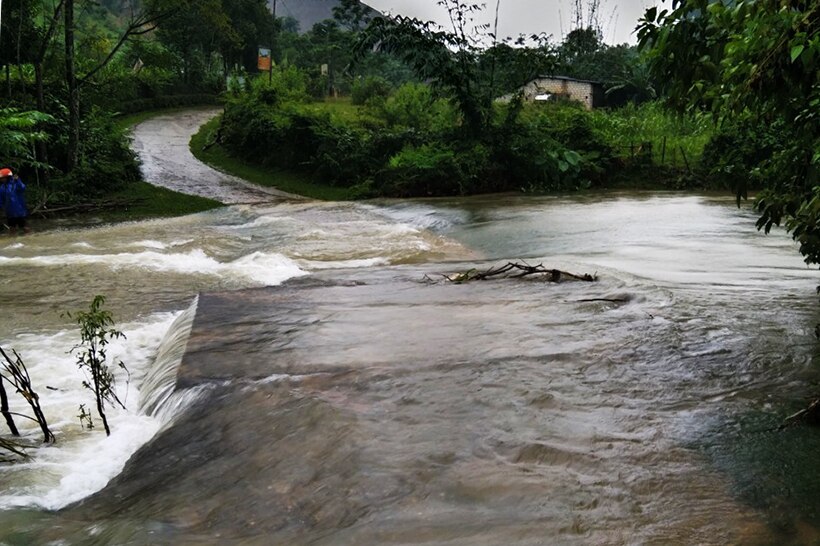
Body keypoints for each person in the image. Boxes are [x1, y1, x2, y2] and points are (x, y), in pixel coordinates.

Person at [0, 168, 29, 235]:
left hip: (20, 211)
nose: (1, 179)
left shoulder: (16, 184)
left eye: (2, 178)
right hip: (10, 212)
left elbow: (23, 188)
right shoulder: (2, 187)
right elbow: (0, 200)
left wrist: (18, 180)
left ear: (7, 177)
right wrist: (2, 208)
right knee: (12, 229)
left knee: (25, 228)